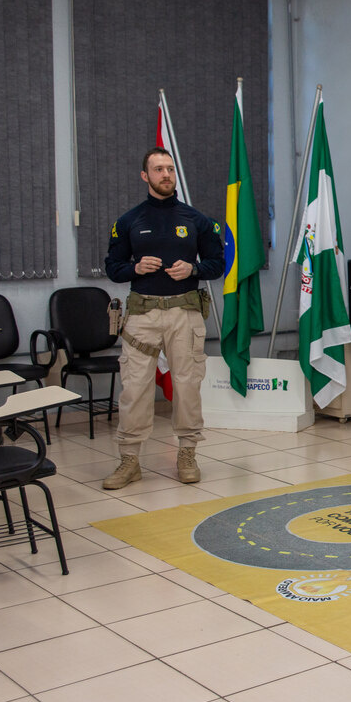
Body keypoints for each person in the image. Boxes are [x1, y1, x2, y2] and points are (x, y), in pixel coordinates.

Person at [103, 148, 225, 490]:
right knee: (135, 387)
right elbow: (113, 268)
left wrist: (194, 269)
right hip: (142, 316)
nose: (166, 174)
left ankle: (187, 453)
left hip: (184, 313)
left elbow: (217, 263)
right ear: (145, 176)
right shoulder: (129, 221)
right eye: (158, 169)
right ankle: (129, 460)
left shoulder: (197, 220)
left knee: (187, 385)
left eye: (169, 168)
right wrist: (135, 268)